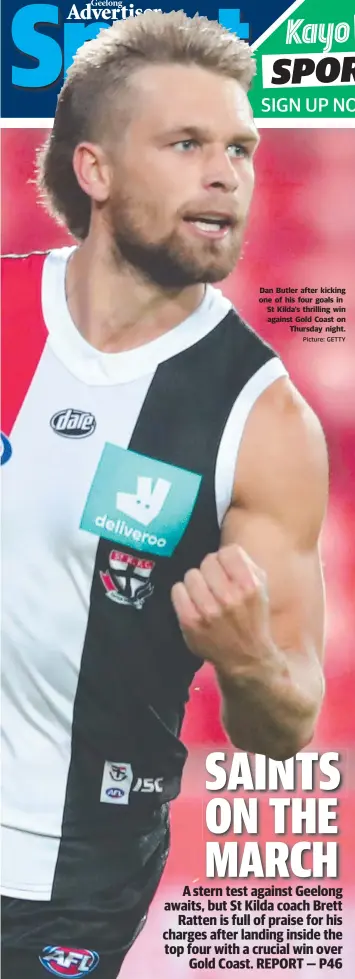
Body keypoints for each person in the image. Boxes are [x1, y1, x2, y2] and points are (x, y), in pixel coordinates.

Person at [1, 10, 328, 978]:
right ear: (94, 173)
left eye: (240, 148)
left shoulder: (262, 420)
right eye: (186, 144)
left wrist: (248, 657)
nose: (225, 173)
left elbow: (287, 722)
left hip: (68, 882)